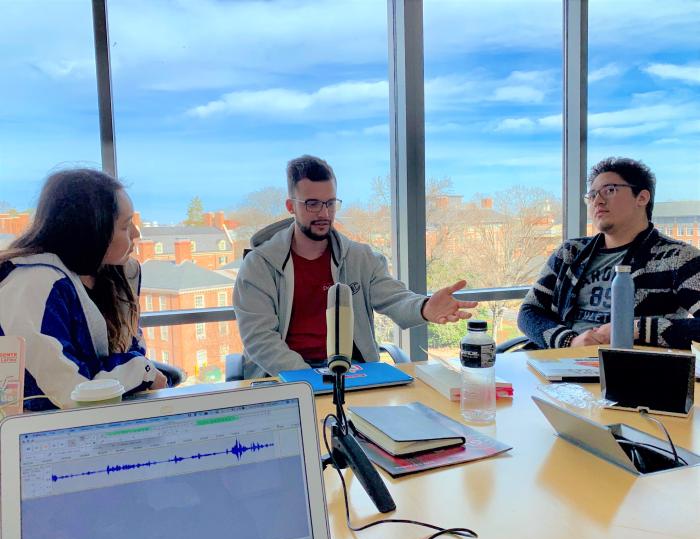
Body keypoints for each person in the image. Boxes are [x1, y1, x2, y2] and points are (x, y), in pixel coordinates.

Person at [234, 155, 477, 378]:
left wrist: (424, 307)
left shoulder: (360, 257)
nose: (324, 213)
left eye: (330, 203)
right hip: (286, 378)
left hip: (351, 373)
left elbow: (395, 299)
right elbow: (260, 340)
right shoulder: (259, 265)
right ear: (291, 206)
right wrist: (310, 379)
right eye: (312, 204)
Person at [0, 168, 167, 410]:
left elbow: (132, 349)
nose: (136, 234)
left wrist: (140, 370)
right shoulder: (32, 285)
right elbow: (71, 393)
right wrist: (141, 371)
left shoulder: (114, 273)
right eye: (125, 225)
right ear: (91, 229)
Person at [518, 157, 700, 349]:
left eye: (609, 190)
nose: (597, 200)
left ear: (642, 198)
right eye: (592, 195)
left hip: (633, 368)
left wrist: (635, 329)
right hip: (562, 363)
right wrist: (569, 341)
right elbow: (529, 312)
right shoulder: (570, 253)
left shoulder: (678, 258)